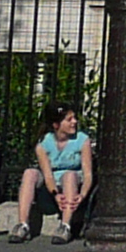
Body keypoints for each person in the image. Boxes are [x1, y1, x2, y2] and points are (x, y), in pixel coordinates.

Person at [11, 104, 91, 244]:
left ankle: (65, 226)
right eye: (69, 119)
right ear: (56, 125)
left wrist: (82, 194)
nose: (74, 122)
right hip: (53, 183)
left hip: (73, 180)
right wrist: (55, 194)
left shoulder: (82, 140)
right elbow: (47, 175)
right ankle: (23, 224)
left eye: (74, 118)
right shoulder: (43, 144)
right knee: (30, 173)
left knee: (69, 175)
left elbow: (88, 174)